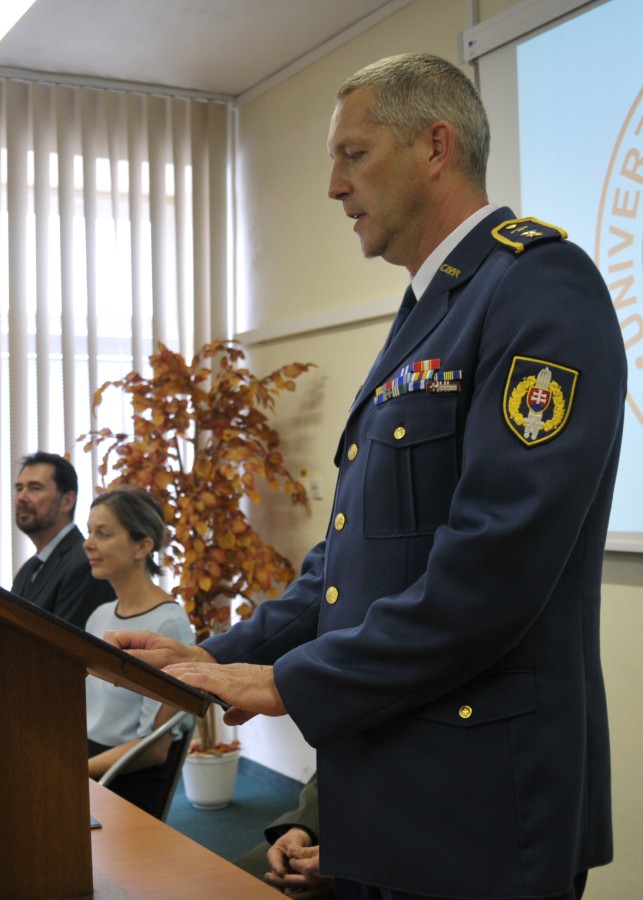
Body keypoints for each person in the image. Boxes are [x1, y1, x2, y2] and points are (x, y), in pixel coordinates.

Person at [105, 53, 627, 899]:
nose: (333, 186)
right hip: (389, 795)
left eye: (354, 154)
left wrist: (283, 682)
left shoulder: (537, 288)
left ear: (434, 146)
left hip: (482, 813)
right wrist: (215, 658)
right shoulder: (431, 309)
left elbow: (492, 569)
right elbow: (352, 566)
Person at [84, 486, 194, 818]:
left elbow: (154, 749)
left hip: (127, 777)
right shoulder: (100, 615)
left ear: (143, 547)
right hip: (91, 759)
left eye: (103, 534)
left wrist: (76, 770)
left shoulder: (168, 624)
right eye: (89, 532)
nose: (88, 543)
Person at [12, 451, 114, 627]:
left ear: (67, 501)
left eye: (35, 488)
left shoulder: (86, 563)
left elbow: (62, 641)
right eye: (19, 488)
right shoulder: (27, 571)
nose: (22, 497)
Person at [235, 772, 334, 898]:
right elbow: (340, 771)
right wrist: (303, 829)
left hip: (357, 866)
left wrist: (348, 873)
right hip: (330, 834)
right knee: (235, 878)